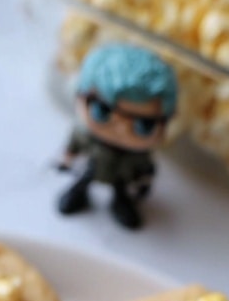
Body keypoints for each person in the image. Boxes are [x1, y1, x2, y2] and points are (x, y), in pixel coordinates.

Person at [56, 42, 178, 230]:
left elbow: (145, 169)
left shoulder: (137, 155)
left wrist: (143, 183)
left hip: (121, 177)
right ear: (79, 94)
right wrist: (67, 159)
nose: (121, 128)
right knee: (81, 183)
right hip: (90, 169)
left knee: (121, 193)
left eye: (144, 124)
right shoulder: (85, 136)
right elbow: (73, 145)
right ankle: (78, 195)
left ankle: (121, 204)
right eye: (102, 110)